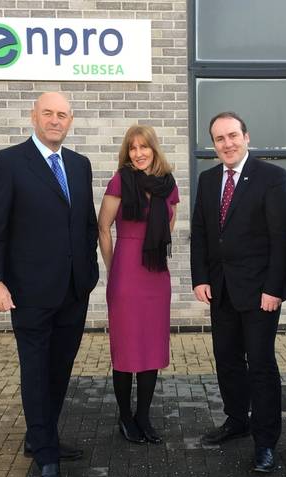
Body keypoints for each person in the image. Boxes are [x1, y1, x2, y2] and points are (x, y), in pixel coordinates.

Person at [0, 92, 99, 477]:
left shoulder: (80, 165)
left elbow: (85, 224)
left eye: (62, 114)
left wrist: (88, 271)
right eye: (47, 113)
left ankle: (40, 434)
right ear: (34, 116)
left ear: (71, 120)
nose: (55, 120)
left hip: (73, 289)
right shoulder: (9, 162)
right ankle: (46, 456)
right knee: (35, 370)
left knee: (59, 369)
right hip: (28, 293)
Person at [190, 111, 286, 472]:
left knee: (261, 365)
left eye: (233, 135)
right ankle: (237, 420)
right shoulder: (207, 181)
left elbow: (283, 237)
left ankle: (265, 441)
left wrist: (274, 289)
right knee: (226, 358)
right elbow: (202, 234)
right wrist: (199, 278)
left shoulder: (271, 177)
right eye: (219, 139)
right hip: (220, 290)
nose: (227, 144)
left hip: (260, 292)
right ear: (213, 144)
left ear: (246, 137)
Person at [98, 125, 179, 445]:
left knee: (151, 346)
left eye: (144, 147)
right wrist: (113, 266)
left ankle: (143, 415)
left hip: (156, 275)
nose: (138, 153)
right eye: (132, 148)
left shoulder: (168, 186)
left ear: (154, 149)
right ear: (127, 153)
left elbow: (167, 230)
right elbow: (103, 228)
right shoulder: (120, 180)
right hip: (126, 273)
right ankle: (125, 416)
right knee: (126, 348)